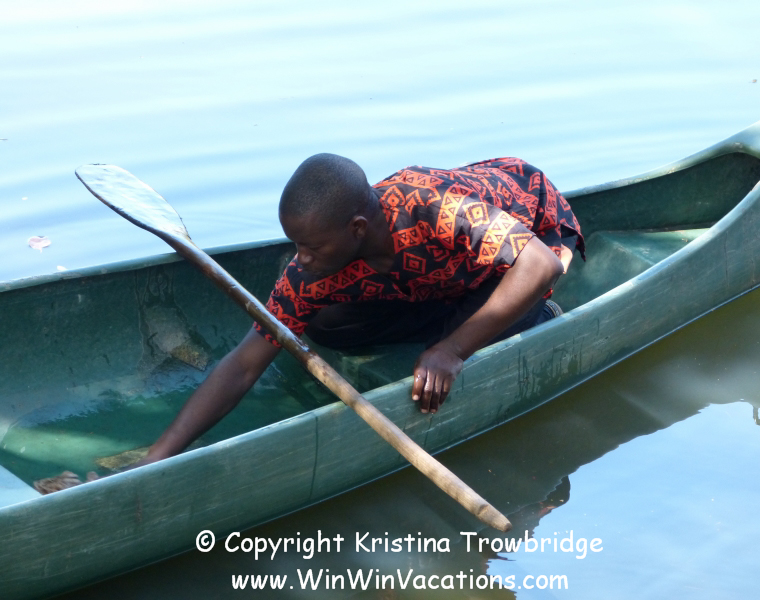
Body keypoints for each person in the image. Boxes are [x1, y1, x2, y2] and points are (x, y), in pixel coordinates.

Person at [135, 153, 585, 467]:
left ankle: (536, 315)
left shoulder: (433, 206)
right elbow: (243, 364)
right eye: (297, 245)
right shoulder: (309, 270)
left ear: (356, 228)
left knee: (478, 321)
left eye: (311, 247)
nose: (301, 259)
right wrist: (159, 454)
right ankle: (450, 316)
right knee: (322, 323)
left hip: (531, 236)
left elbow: (538, 264)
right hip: (439, 278)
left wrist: (452, 349)